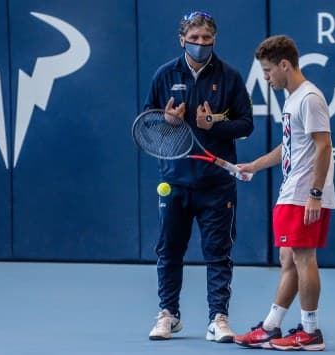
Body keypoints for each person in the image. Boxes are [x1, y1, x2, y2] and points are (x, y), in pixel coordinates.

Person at [143, 11, 254, 343]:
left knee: (218, 253)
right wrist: (167, 121)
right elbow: (148, 124)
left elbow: (247, 125)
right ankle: (168, 314)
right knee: (169, 251)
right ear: (182, 40)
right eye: (194, 39)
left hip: (217, 183)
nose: (201, 44)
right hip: (175, 180)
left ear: (214, 40)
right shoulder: (164, 75)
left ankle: (218, 318)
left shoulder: (230, 77)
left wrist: (214, 125)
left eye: (207, 39)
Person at [233, 35, 335, 351]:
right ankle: (271, 326)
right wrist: (255, 165)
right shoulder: (292, 100)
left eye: (267, 71)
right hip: (293, 190)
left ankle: (310, 331)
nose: (265, 77)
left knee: (303, 257)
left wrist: (315, 194)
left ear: (284, 64)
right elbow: (290, 146)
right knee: (288, 258)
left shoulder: (309, 98)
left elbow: (324, 145)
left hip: (304, 194)